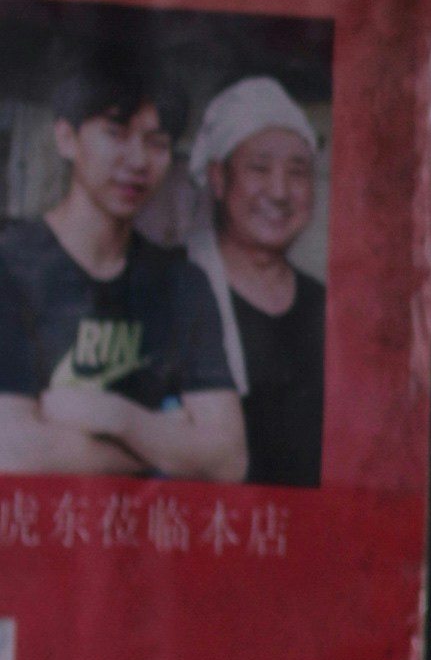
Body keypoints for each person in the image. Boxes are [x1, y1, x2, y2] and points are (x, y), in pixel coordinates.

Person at [0, 37, 243, 481]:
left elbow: (229, 459)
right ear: (66, 137)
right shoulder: (10, 264)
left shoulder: (182, 282)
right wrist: (170, 441)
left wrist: (114, 417)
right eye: (116, 133)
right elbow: (11, 450)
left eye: (158, 142)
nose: (137, 160)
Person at [191, 77, 326, 492]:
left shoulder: (327, 306)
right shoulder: (178, 293)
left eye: (297, 172)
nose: (280, 191)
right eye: (260, 168)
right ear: (218, 179)